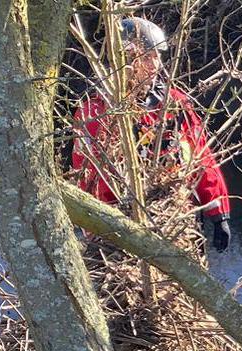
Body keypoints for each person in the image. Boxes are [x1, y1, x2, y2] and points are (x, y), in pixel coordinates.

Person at [70, 17, 231, 251]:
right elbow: (86, 175)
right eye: (146, 57)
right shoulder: (95, 112)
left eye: (157, 57)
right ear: (124, 60)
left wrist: (219, 214)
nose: (155, 65)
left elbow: (200, 158)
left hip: (178, 222)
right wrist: (95, 227)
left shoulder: (173, 104)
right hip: (118, 228)